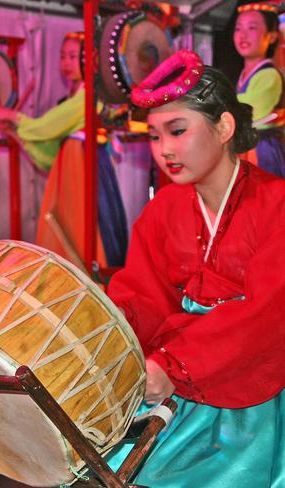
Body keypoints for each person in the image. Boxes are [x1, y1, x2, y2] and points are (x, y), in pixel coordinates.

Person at [104, 50, 285, 486]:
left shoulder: (277, 203)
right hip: (170, 370)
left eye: (178, 130)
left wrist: (175, 365)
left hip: (253, 379)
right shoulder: (162, 208)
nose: (164, 150)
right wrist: (107, 341)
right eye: (154, 136)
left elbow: (266, 315)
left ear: (224, 127)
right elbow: (143, 294)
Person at [0, 32, 127, 270]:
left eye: (74, 56)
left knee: (87, 238)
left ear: (90, 60)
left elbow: (45, 127)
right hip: (70, 173)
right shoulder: (70, 100)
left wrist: (16, 117)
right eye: (63, 56)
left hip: (87, 171)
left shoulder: (90, 96)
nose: (66, 63)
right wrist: (16, 132)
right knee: (66, 234)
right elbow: (49, 158)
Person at [233, 1, 285, 177]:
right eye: (238, 28)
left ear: (271, 36)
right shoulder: (243, 75)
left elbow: (247, 113)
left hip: (263, 150)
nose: (243, 35)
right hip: (247, 146)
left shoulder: (269, 75)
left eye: (252, 28)